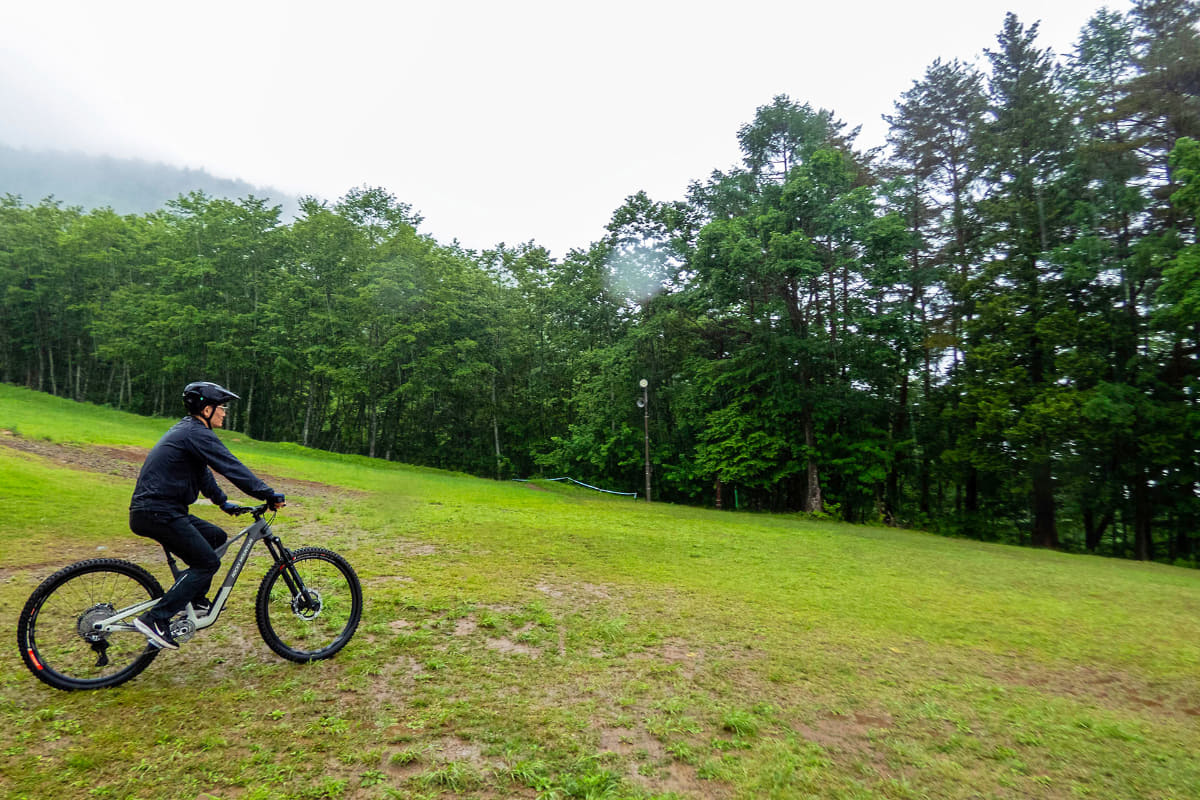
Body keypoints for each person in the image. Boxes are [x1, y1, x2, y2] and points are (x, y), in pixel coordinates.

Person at [129, 381, 285, 650]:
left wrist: (224, 504)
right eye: (221, 407)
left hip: (161, 510)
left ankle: (195, 598)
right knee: (207, 563)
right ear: (206, 408)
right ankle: (156, 619)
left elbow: (203, 474)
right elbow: (229, 465)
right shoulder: (195, 433)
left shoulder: (189, 433)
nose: (224, 412)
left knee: (216, 537)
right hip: (158, 512)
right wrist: (267, 494)